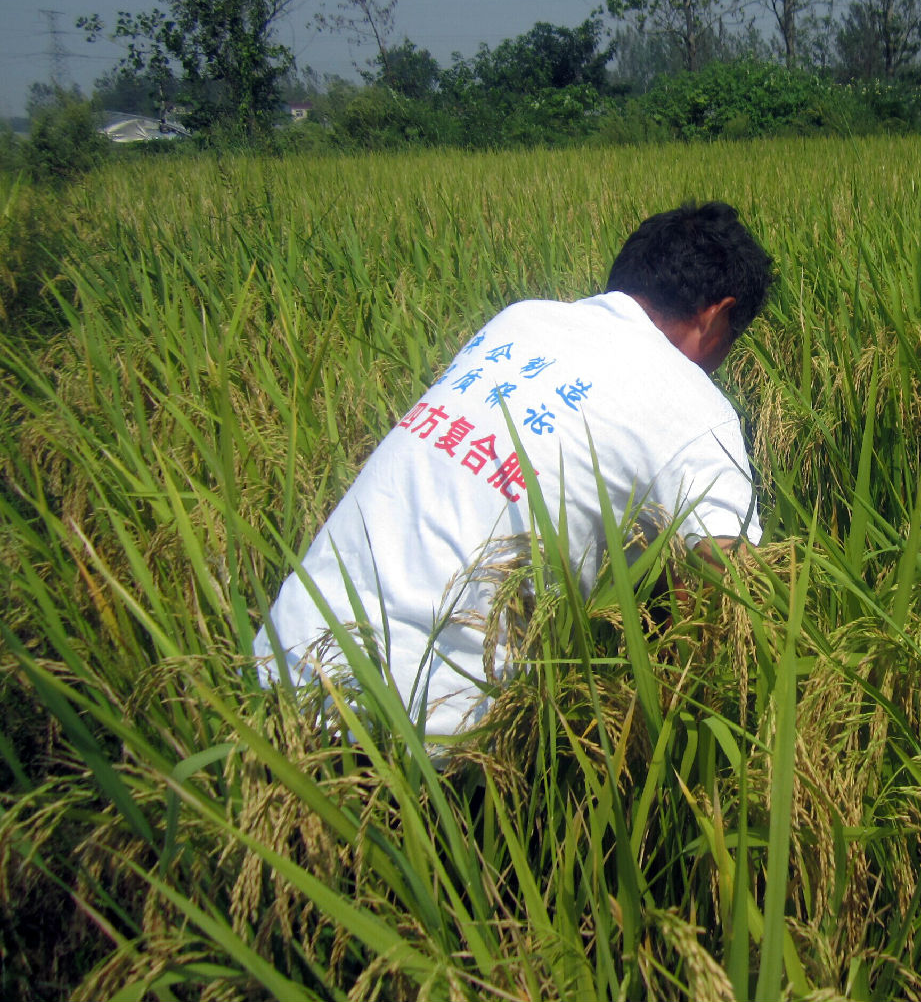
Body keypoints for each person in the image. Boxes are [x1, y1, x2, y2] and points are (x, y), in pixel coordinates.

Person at [254, 201, 774, 736]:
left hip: (278, 666)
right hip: (423, 728)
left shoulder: (520, 318)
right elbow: (722, 585)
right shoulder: (697, 408)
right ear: (717, 316)